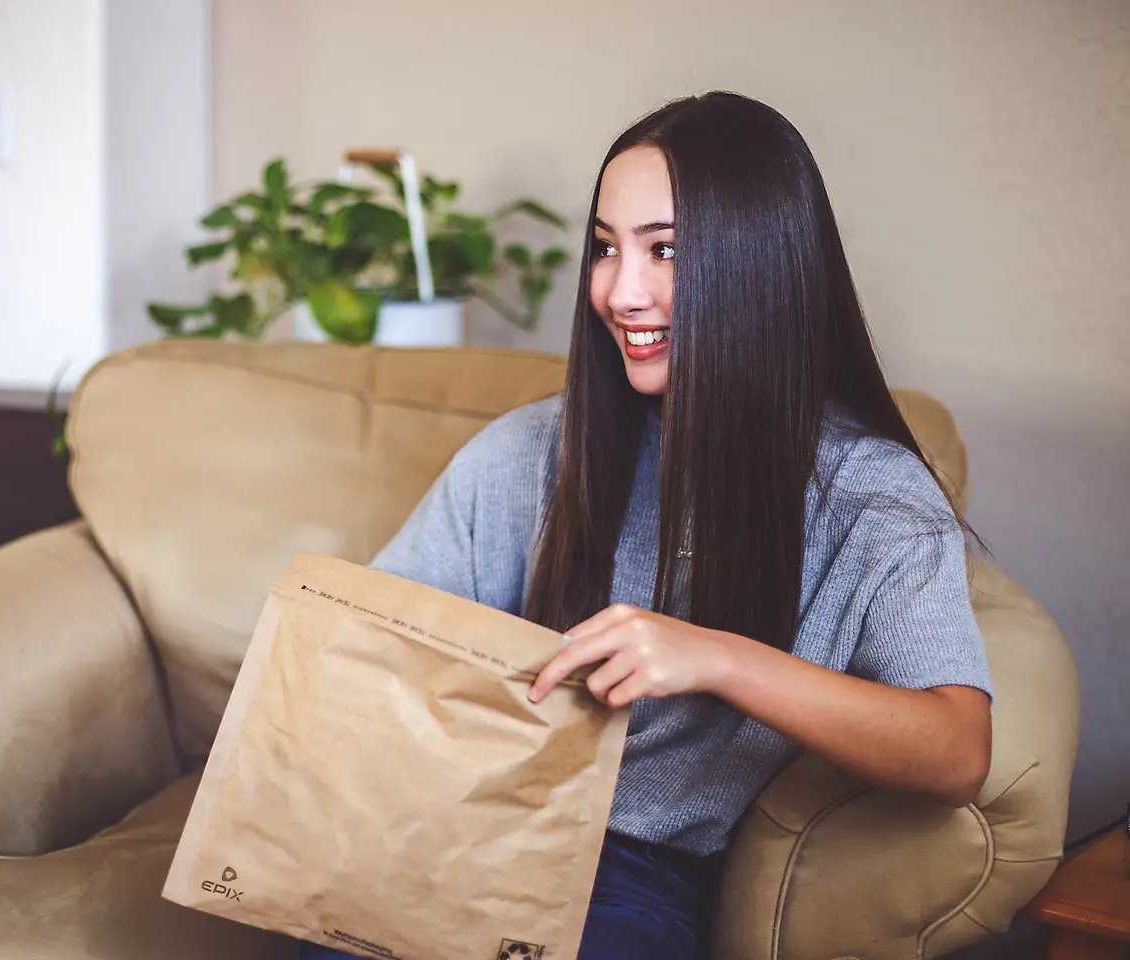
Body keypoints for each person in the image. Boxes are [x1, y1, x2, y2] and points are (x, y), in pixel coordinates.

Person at [299, 91, 993, 960]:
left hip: (634, 877)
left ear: (760, 266)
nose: (621, 292)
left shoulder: (870, 498)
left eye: (665, 250)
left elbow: (957, 751)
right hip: (445, 832)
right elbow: (367, 652)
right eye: (605, 248)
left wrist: (718, 657)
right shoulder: (529, 452)